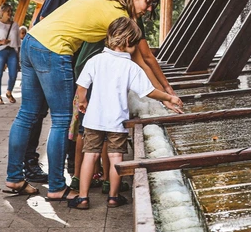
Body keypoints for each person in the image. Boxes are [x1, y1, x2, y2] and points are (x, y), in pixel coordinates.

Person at [3, 0, 176, 200]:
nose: (149, 8)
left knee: (27, 114)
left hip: (32, 41)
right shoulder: (119, 18)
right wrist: (166, 95)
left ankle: (14, 177)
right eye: (149, 1)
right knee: (62, 120)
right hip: (53, 49)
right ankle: (56, 187)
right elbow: (141, 60)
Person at [22, 0, 133, 183]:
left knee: (73, 117)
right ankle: (35, 168)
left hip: (71, 58)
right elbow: (45, 19)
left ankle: (72, 168)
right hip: (55, 53)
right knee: (47, 114)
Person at [69, 17, 183, 209]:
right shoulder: (131, 67)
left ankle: (83, 197)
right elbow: (148, 91)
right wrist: (168, 98)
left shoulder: (95, 60)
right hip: (117, 121)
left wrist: (83, 102)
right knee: (116, 157)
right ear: (129, 41)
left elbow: (82, 86)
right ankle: (113, 197)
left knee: (90, 155)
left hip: (94, 119)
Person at [0, 4, 21, 105]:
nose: (10, 13)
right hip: (0, 51)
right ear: (2, 12)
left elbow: (18, 41)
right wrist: (1, 42)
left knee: (13, 74)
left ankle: (9, 92)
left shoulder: (15, 25)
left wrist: (18, 53)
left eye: (11, 11)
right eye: (8, 11)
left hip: (12, 51)